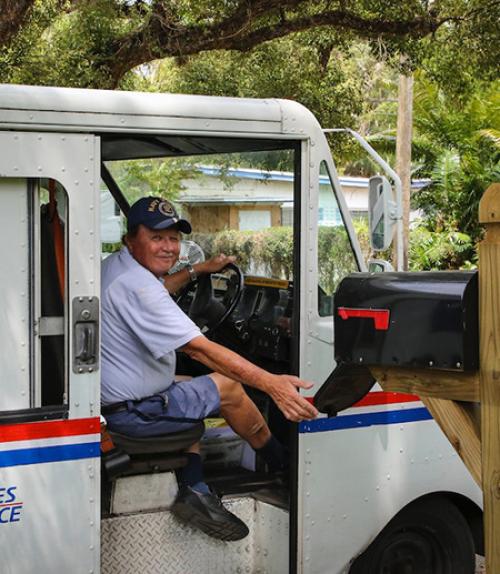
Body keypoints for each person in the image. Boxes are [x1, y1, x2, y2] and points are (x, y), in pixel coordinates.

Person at [100, 196, 318, 541]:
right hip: (131, 414)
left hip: (117, 396)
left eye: (173, 238)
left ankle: (194, 483)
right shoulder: (139, 287)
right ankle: (281, 466)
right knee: (226, 386)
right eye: (157, 238)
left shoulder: (118, 266)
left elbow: (160, 290)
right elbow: (198, 348)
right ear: (131, 239)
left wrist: (199, 270)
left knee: (192, 385)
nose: (168, 247)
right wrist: (271, 383)